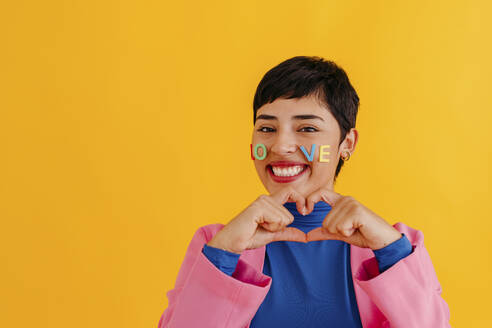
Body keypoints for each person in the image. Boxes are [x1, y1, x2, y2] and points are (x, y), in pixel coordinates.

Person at [157, 56, 451, 327]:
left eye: (307, 129)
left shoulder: (398, 246)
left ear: (347, 143)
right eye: (267, 129)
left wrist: (391, 251)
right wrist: (221, 257)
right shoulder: (214, 244)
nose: (280, 146)